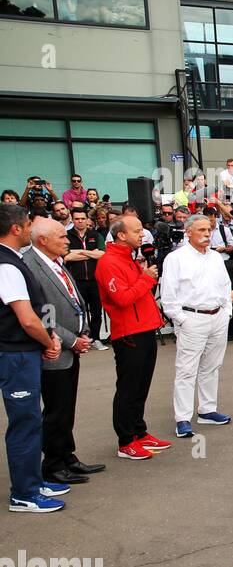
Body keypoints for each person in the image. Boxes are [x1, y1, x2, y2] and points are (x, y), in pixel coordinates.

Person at [22, 216, 104, 486]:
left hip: (70, 346)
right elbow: (42, 313)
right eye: (62, 236)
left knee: (67, 406)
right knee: (56, 409)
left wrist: (83, 332)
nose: (68, 240)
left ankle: (67, 456)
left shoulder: (55, 261)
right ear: (43, 240)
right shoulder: (31, 266)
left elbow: (71, 301)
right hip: (55, 350)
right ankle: (53, 464)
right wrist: (70, 340)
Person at [0, 204, 69, 511]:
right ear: (16, 228)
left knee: (31, 420)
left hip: (23, 352)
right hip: (16, 354)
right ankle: (24, 493)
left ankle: (34, 480)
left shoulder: (12, 260)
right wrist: (49, 340)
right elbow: (27, 319)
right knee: (25, 423)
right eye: (28, 224)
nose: (30, 229)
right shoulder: (6, 265)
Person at [96, 215, 169, 461]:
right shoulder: (108, 263)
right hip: (129, 333)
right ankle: (126, 440)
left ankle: (140, 432)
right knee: (128, 388)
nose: (142, 235)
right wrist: (146, 278)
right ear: (121, 235)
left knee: (142, 386)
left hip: (146, 328)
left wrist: (144, 276)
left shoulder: (130, 258)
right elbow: (123, 298)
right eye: (137, 231)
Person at [159, 214, 233, 439]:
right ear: (188, 231)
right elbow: (168, 295)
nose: (206, 234)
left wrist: (226, 312)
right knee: (186, 370)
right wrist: (181, 319)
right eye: (201, 230)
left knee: (212, 366)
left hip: (217, 317)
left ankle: (207, 410)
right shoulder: (176, 258)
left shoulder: (215, 258)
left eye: (209, 230)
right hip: (192, 318)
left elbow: (225, 286)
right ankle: (182, 418)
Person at [65, 208, 106, 349]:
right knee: (79, 312)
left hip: (95, 280)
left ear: (87, 219)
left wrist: (78, 252)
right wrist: (90, 253)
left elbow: (102, 254)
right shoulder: (67, 235)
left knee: (96, 312)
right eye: (77, 219)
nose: (80, 221)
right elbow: (66, 255)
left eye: (83, 218)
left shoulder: (95, 235)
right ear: (72, 219)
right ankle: (81, 339)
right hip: (76, 281)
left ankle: (96, 338)